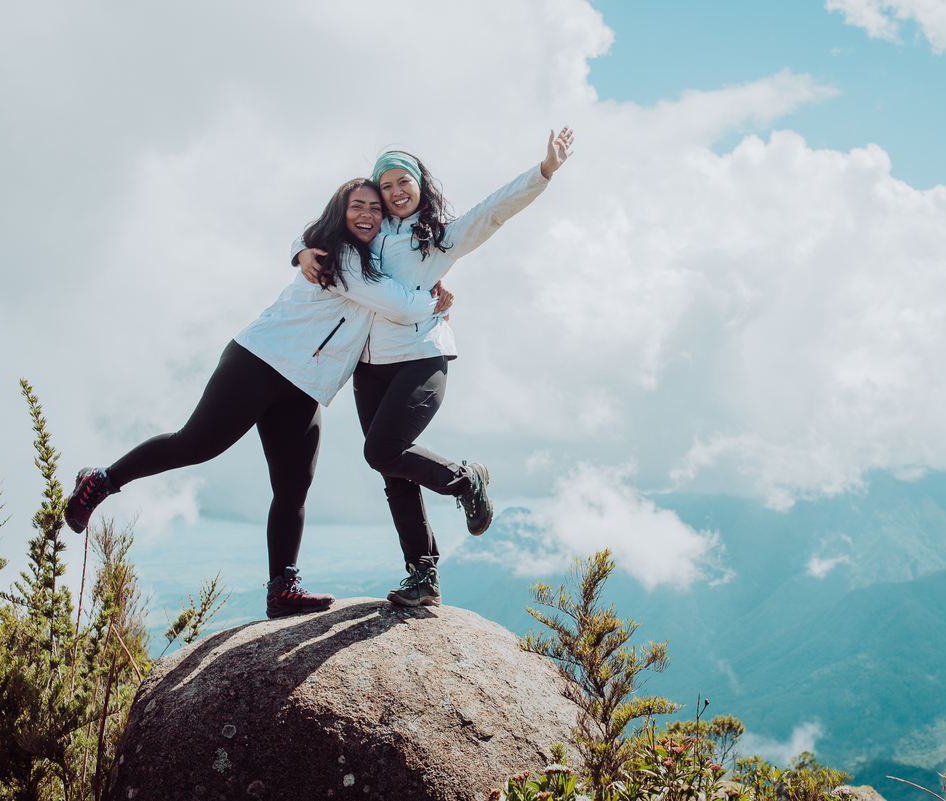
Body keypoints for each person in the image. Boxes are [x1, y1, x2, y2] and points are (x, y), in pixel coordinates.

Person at [63, 178, 453, 619]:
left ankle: (281, 588)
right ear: (339, 214)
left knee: (293, 486)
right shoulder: (339, 255)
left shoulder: (371, 256)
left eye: (374, 208)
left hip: (306, 385)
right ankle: (101, 480)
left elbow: (387, 265)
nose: (367, 215)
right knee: (195, 444)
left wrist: (433, 282)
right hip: (261, 361)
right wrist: (431, 303)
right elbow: (396, 302)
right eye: (356, 207)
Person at [293, 127, 575, 608]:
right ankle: (422, 575)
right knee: (392, 472)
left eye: (405, 181)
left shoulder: (440, 239)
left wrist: (544, 171)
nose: (396, 192)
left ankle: (466, 479)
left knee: (382, 450)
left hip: (422, 357)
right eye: (387, 186)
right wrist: (300, 252)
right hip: (368, 365)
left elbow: (492, 211)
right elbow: (322, 233)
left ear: (421, 185)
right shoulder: (368, 234)